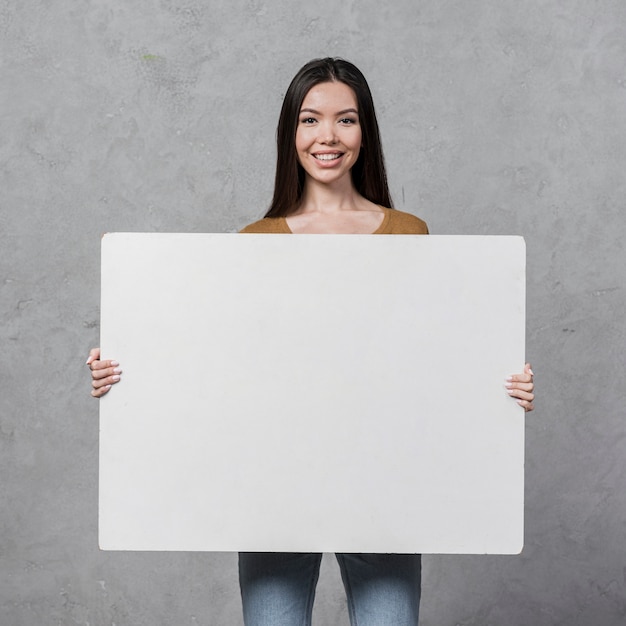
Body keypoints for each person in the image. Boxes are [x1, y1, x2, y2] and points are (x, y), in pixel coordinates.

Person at [87, 58, 535, 626]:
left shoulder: (410, 233)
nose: (327, 137)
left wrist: (501, 386)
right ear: (290, 134)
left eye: (345, 120)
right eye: (310, 120)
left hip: (385, 487)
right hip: (273, 490)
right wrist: (127, 371)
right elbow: (215, 372)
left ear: (365, 133)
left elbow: (431, 361)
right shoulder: (253, 243)